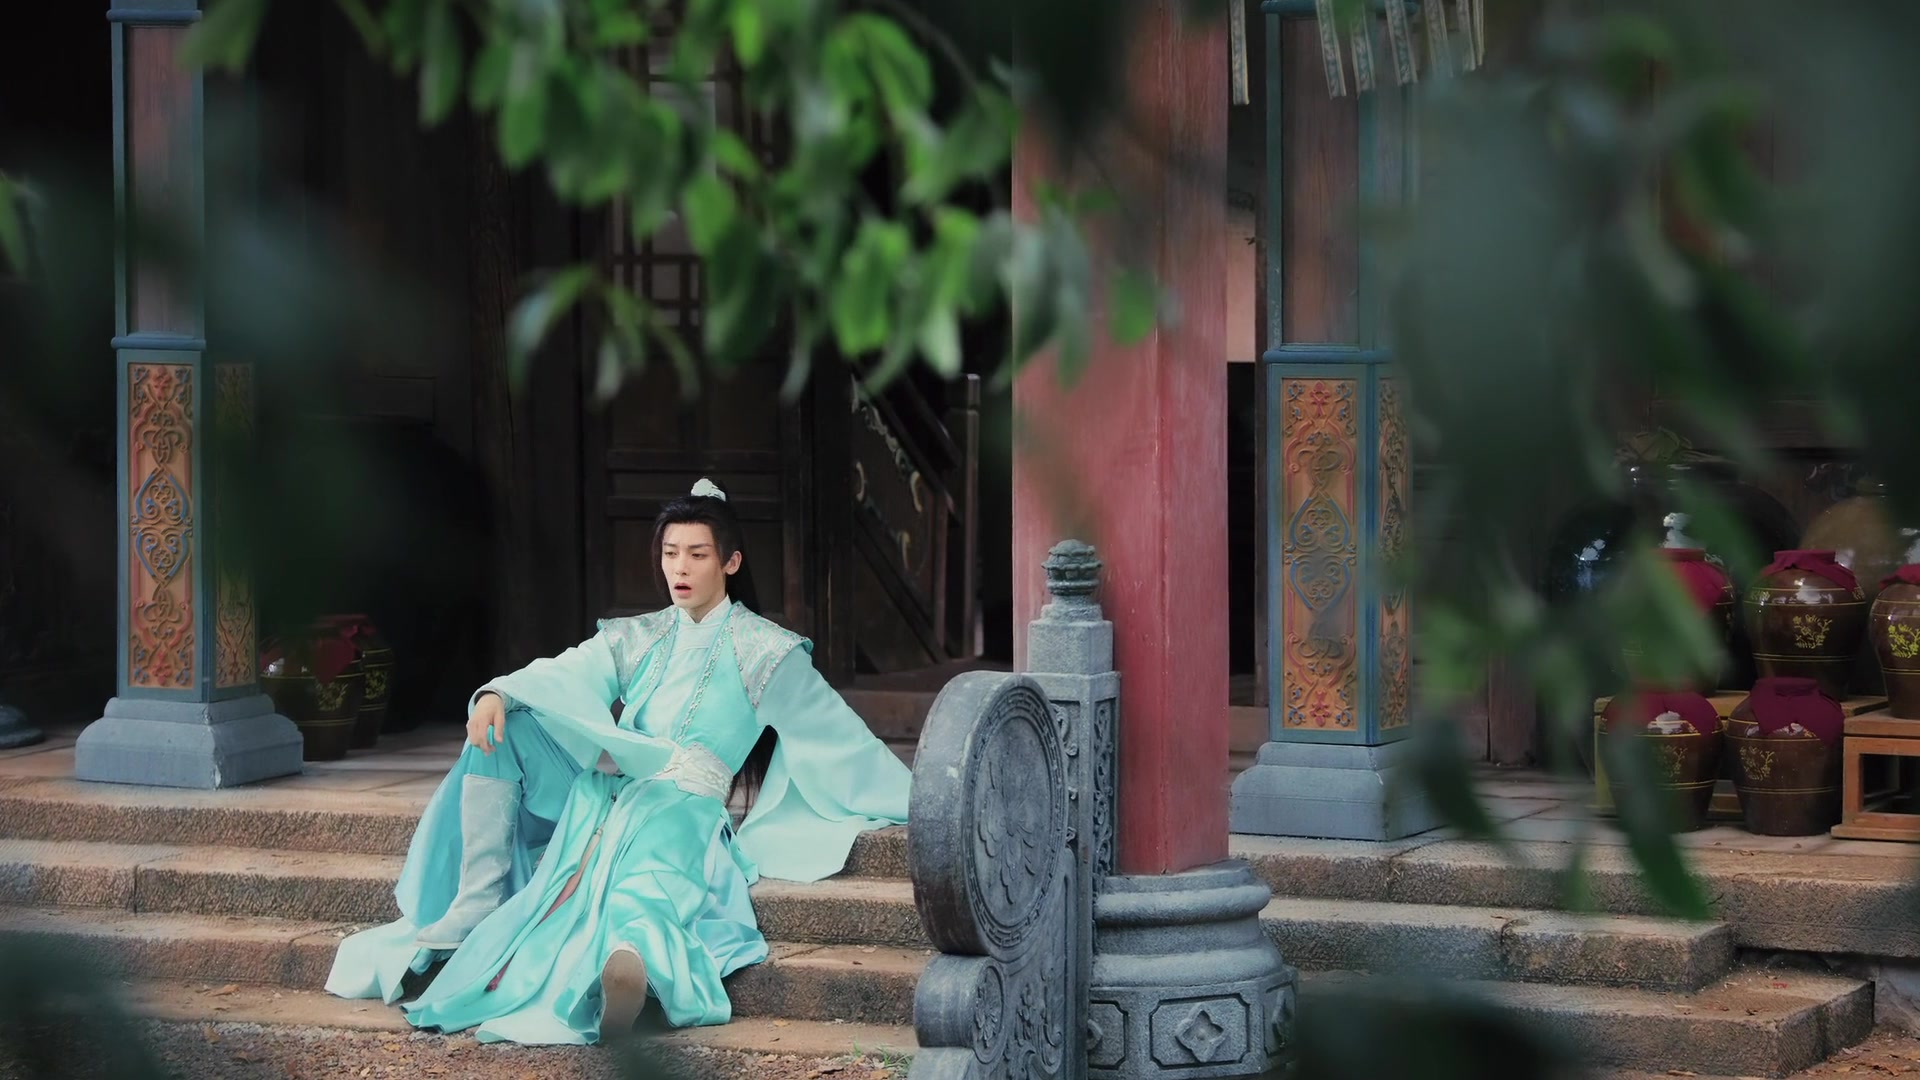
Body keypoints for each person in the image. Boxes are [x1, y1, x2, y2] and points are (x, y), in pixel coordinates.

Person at [324, 478, 912, 1045]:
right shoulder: (640, 636)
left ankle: (626, 965)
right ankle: (477, 899)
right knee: (509, 727)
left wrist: (923, 798)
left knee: (644, 888)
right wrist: (499, 693)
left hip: (684, 806)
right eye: (670, 553)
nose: (680, 568)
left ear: (730, 562)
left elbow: (841, 738)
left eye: (697, 555)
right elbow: (569, 669)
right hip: (604, 794)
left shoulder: (767, 652)